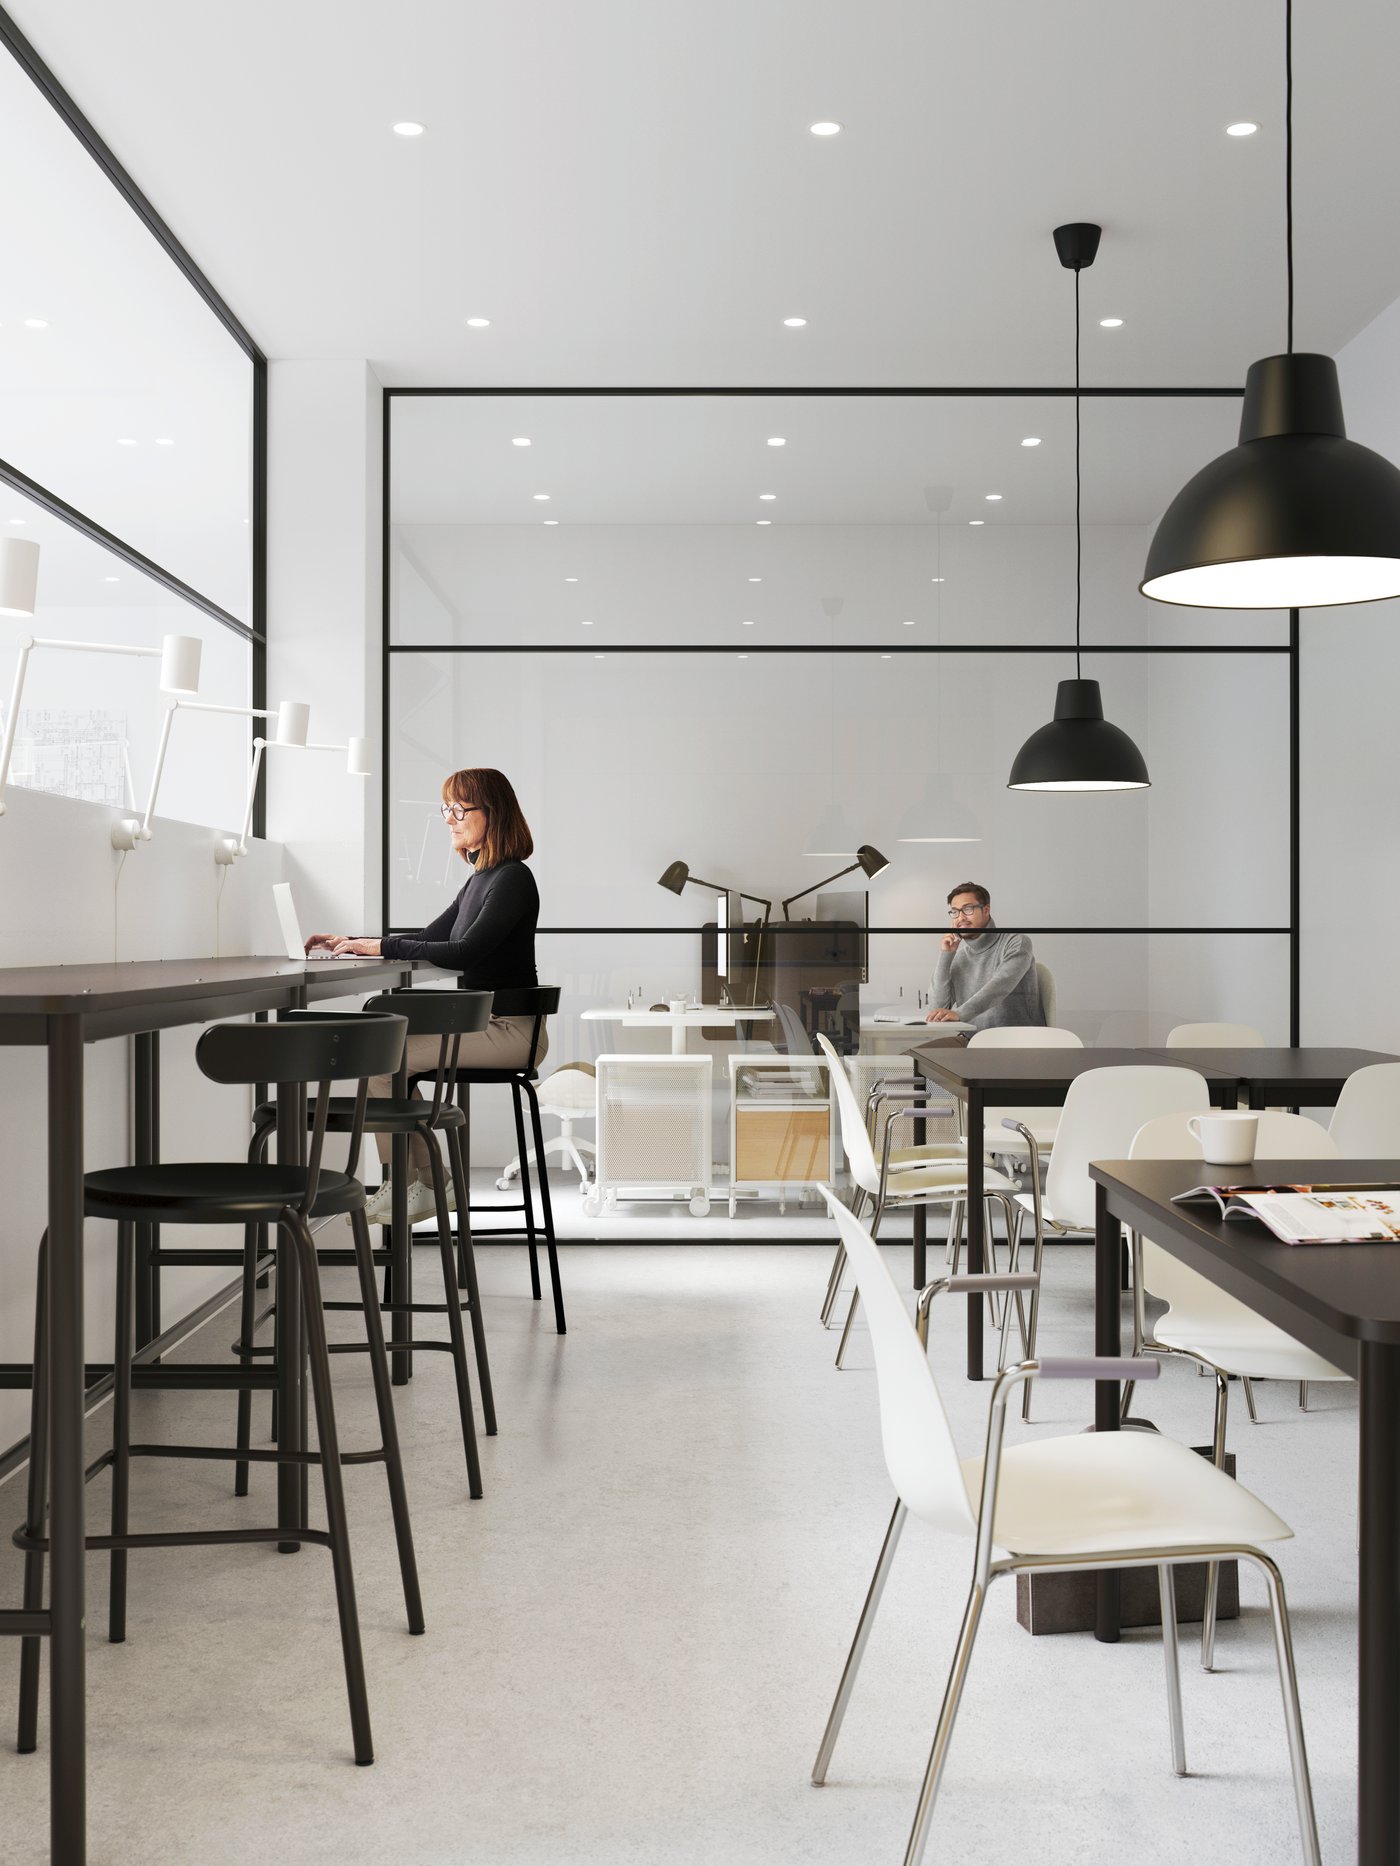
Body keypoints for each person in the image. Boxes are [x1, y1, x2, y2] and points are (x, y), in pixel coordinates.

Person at [306, 766, 546, 1222]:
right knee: (386, 1060)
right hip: (484, 1025)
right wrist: (354, 941)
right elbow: (429, 935)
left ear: (491, 814)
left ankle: (415, 1186)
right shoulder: (479, 880)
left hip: (511, 1031)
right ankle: (428, 1186)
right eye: (446, 809)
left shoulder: (513, 878)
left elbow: (464, 951)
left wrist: (377, 946)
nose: (450, 818)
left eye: (460, 808)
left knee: (383, 1062)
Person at [924, 881, 1043, 1045]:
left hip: (1015, 1042)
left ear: (986, 910)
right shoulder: (959, 957)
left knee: (909, 1066)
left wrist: (960, 1014)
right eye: (955, 912)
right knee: (907, 1063)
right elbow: (937, 1007)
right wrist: (946, 955)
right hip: (971, 1040)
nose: (961, 918)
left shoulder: (1016, 942)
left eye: (968, 909)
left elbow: (999, 986)